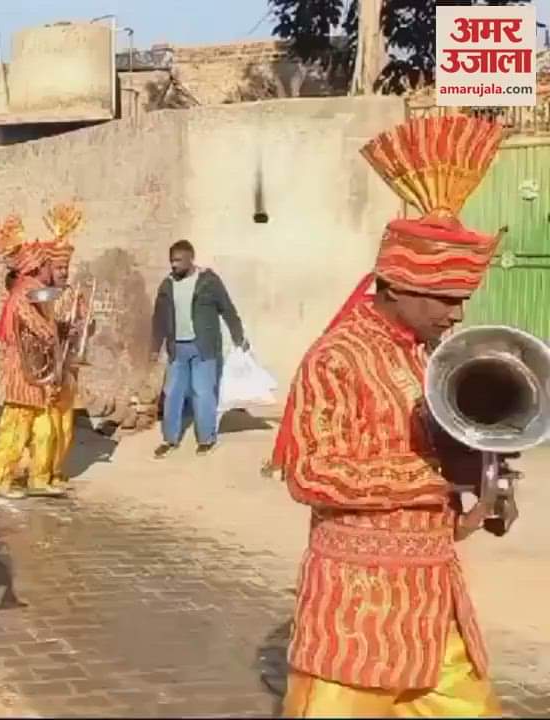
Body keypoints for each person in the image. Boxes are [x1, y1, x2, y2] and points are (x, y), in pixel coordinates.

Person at [273, 116, 507, 718]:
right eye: (444, 299)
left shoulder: (429, 357)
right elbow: (312, 473)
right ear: (397, 286)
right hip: (356, 615)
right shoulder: (337, 357)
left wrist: (482, 493)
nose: (455, 315)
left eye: (461, 300)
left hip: (433, 604)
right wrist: (437, 482)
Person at [150, 239, 246, 459]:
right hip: (177, 349)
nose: (173, 265)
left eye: (178, 260)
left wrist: (238, 336)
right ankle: (170, 439)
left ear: (190, 258)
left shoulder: (209, 282)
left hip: (203, 347)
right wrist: (155, 346)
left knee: (202, 393)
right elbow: (159, 318)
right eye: (171, 261)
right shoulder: (167, 285)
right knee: (173, 394)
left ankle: (206, 439)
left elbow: (228, 309)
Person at [0, 215, 61, 499]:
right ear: (39, 267)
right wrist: (50, 334)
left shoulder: (34, 288)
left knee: (43, 427)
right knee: (16, 425)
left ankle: (39, 477)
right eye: (49, 266)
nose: (51, 271)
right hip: (23, 369)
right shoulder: (24, 291)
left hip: (38, 370)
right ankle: (2, 477)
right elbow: (31, 319)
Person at [43, 203, 87, 487]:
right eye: (59, 267)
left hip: (68, 365)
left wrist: (79, 326)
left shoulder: (73, 295)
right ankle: (39, 472)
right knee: (45, 428)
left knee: (66, 425)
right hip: (46, 368)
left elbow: (83, 326)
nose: (63, 272)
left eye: (66, 268)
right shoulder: (41, 294)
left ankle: (57, 470)